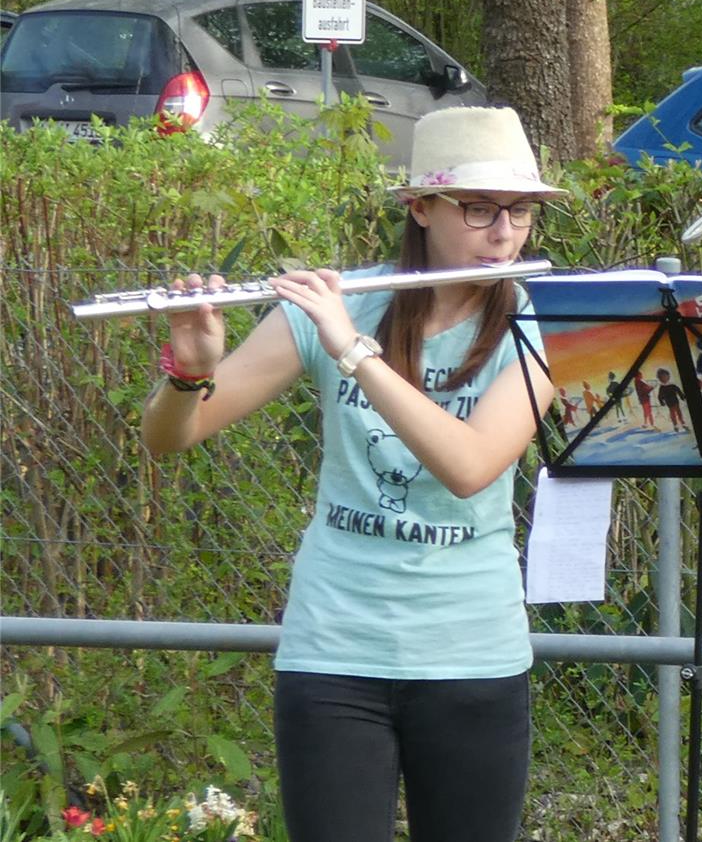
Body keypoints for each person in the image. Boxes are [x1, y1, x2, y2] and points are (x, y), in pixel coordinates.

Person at [140, 106, 564, 842]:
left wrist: (352, 351)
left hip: (471, 651)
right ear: (421, 207)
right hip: (334, 647)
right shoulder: (340, 304)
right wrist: (190, 373)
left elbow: (469, 467)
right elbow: (170, 436)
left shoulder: (540, 325)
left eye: (520, 211)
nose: (504, 233)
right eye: (479, 208)